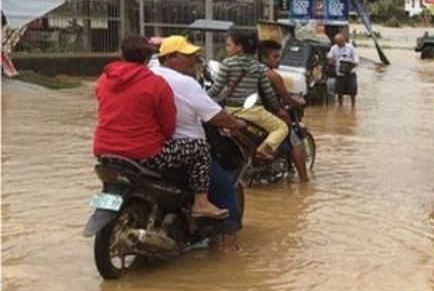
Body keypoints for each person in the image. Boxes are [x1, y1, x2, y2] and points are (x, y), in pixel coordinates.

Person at [94, 35, 228, 219]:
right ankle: (201, 202)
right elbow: (168, 125)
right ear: (149, 58)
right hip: (144, 153)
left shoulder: (104, 79)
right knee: (201, 149)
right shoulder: (156, 83)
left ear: (121, 54)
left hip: (104, 152)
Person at [153, 36, 249, 251]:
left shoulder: (149, 76)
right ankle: (230, 249)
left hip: (145, 148)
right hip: (183, 148)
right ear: (170, 57)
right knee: (224, 188)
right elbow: (214, 114)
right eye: (187, 55)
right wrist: (236, 124)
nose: (192, 59)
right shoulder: (185, 82)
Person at [207, 30, 288, 160]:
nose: (227, 48)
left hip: (230, 111)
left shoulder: (227, 63)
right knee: (282, 128)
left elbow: (216, 89)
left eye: (229, 45)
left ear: (239, 47)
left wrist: (201, 97)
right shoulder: (258, 67)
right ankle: (264, 148)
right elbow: (268, 93)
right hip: (253, 111)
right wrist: (278, 109)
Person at [258, 39, 310, 182]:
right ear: (264, 58)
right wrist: (299, 102)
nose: (278, 60)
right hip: (271, 114)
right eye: (275, 56)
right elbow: (287, 99)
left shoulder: (251, 70)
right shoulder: (273, 76)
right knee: (294, 141)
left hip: (251, 112)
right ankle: (304, 179)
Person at [327, 32, 359, 107]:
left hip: (350, 73)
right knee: (339, 91)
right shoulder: (334, 48)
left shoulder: (350, 47)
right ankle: (340, 106)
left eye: (340, 43)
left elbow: (356, 58)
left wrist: (354, 64)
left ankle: (353, 106)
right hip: (339, 73)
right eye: (337, 43)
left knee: (352, 91)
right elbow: (329, 58)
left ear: (344, 41)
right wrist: (331, 61)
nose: (339, 44)